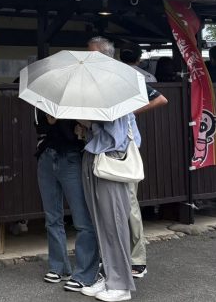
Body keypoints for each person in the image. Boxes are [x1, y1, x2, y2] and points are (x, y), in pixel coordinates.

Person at [89, 36, 165, 280]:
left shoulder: (124, 76)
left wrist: (128, 111)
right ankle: (113, 256)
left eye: (91, 53)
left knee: (128, 205)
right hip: (102, 147)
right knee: (109, 208)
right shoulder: (95, 80)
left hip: (123, 149)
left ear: (105, 55)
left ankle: (137, 260)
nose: (88, 57)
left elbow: (160, 98)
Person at [35, 108, 100, 291]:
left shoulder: (78, 98)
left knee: (82, 220)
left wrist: (60, 120)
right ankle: (59, 267)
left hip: (72, 157)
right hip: (46, 156)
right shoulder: (43, 100)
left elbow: (76, 134)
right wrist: (50, 121)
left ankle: (85, 273)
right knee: (52, 218)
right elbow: (39, 127)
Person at [79, 110, 140, 301]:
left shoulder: (115, 103)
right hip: (96, 159)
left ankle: (121, 285)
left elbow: (115, 137)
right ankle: (109, 277)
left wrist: (90, 124)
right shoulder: (100, 102)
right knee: (101, 223)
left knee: (114, 222)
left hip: (111, 159)